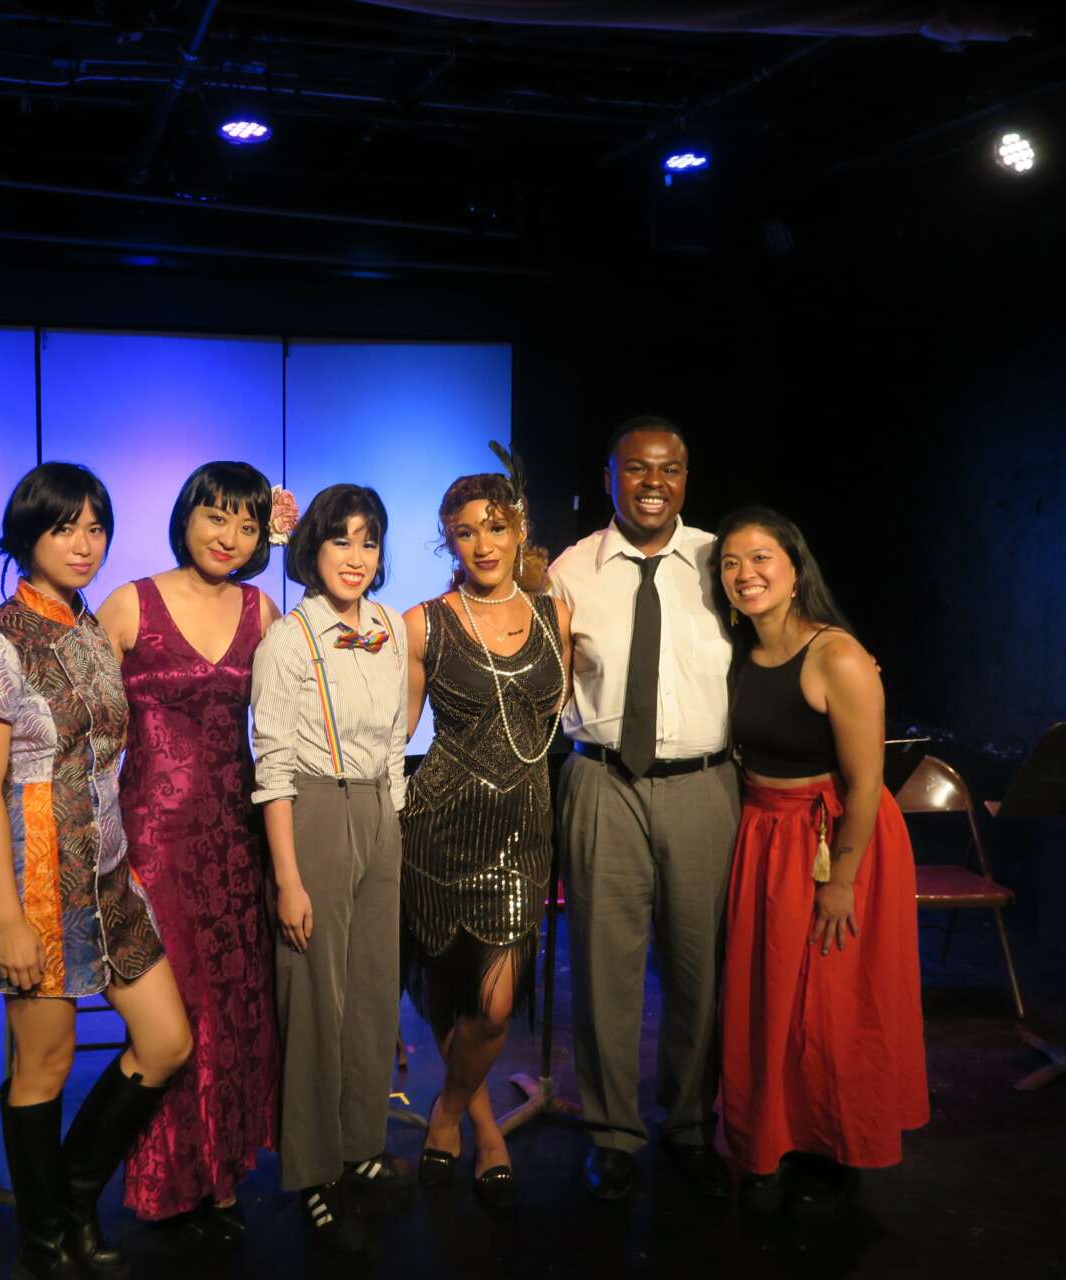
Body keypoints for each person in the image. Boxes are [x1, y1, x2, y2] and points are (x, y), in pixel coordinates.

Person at [0, 463, 194, 1280]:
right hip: (35, 883)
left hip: (109, 873)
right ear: (27, 537)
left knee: (166, 1042)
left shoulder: (93, 626)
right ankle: (46, 1236)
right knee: (45, 1063)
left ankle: (71, 1196)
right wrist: (9, 919)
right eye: (65, 528)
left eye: (95, 528)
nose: (84, 544)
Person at [712, 506, 928, 1221]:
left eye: (761, 558)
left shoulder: (836, 656)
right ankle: (771, 1140)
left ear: (795, 567)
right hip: (765, 835)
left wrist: (842, 883)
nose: (745, 574)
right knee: (771, 999)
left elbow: (866, 785)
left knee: (833, 1004)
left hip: (836, 839)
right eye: (731, 562)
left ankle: (834, 1151)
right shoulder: (741, 655)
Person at [548, 415, 738, 1201]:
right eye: (636, 468)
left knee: (701, 967)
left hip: (704, 785)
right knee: (604, 968)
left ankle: (690, 1124)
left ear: (686, 479)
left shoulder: (723, 562)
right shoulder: (569, 570)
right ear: (609, 477)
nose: (654, 482)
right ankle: (613, 1134)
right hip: (602, 782)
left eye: (670, 468)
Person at [95, 463, 286, 1236]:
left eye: (247, 524)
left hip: (237, 841)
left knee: (233, 1011)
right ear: (186, 516)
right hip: (154, 843)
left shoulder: (262, 608)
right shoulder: (130, 603)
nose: (229, 537)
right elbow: (82, 730)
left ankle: (222, 1172)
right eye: (216, 517)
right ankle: (167, 1180)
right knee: (174, 1019)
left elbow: (286, 724)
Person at [398, 461, 570, 1212]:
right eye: (464, 533)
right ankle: (481, 1127)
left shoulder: (555, 617)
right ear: (449, 543)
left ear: (519, 529)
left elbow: (559, 713)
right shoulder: (423, 622)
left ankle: (447, 1107)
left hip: (523, 830)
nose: (482, 544)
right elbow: (396, 734)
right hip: (438, 829)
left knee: (495, 1006)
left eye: (495, 528)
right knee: (450, 989)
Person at [250, 483, 412, 1253]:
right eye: (341, 539)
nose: (356, 555)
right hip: (314, 811)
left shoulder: (389, 626)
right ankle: (313, 1171)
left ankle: (361, 1144)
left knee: (375, 990)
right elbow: (273, 764)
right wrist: (288, 879)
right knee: (316, 997)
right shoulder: (289, 639)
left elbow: (395, 736)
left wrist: (393, 814)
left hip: (379, 811)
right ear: (311, 548)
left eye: (368, 540)